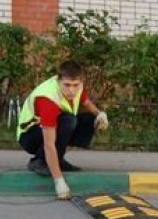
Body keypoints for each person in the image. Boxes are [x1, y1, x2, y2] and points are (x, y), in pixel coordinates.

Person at [17, 60, 109, 199]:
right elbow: (49, 144)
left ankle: (58, 160)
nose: (71, 90)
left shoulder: (77, 88)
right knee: (68, 121)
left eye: (75, 85)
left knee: (89, 119)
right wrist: (59, 182)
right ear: (58, 81)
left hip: (50, 128)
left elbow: (87, 103)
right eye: (67, 85)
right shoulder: (48, 99)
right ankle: (39, 161)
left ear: (80, 81)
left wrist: (100, 114)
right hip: (30, 135)